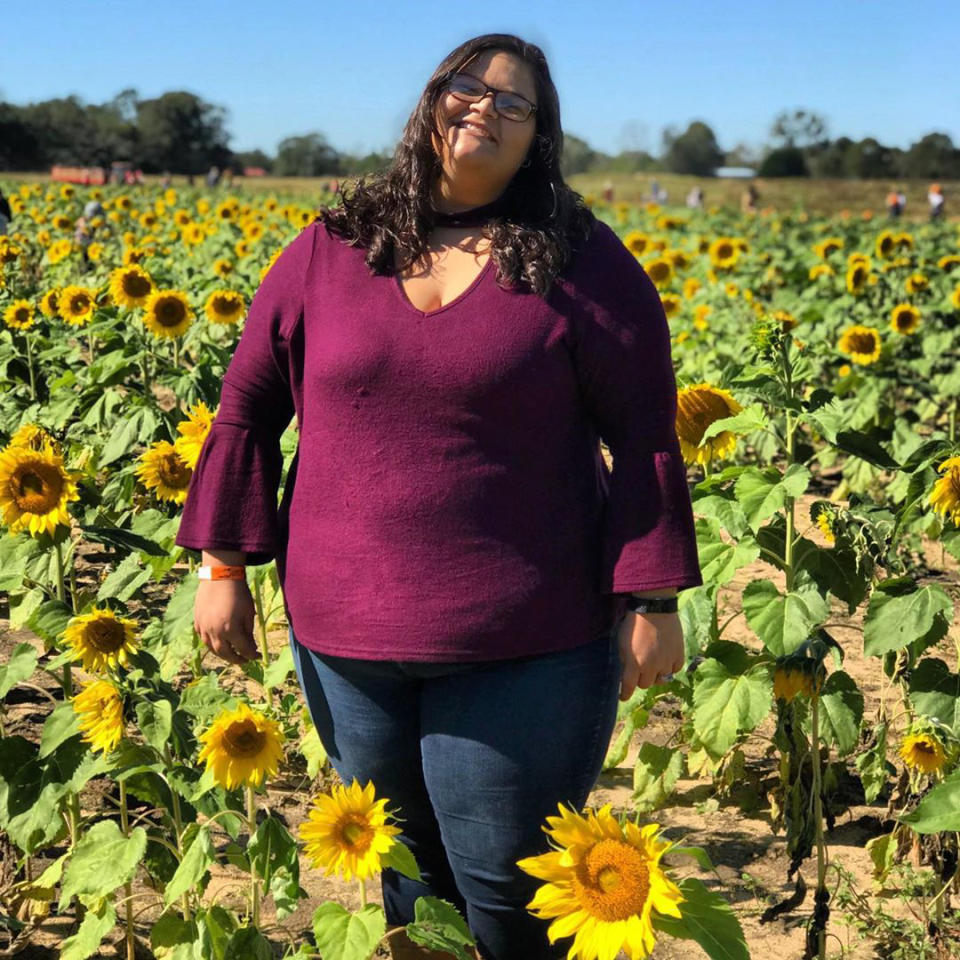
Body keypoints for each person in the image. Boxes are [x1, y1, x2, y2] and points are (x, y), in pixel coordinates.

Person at [176, 32, 701, 960]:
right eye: (469, 89)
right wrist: (223, 565)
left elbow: (645, 434)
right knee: (408, 880)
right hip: (345, 640)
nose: (484, 111)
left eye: (513, 104)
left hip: (525, 638)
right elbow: (248, 406)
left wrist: (653, 599)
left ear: (538, 136)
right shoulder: (329, 249)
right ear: (431, 100)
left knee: (506, 887)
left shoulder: (580, 259)